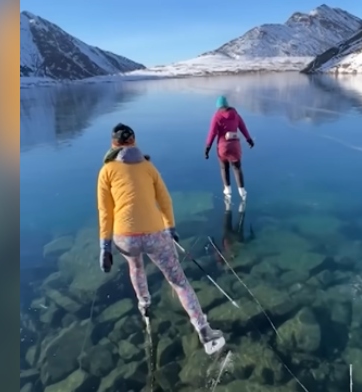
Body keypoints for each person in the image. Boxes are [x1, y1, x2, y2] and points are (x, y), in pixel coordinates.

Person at [97, 123, 225, 354]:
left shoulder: (106, 171)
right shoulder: (148, 167)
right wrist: (171, 228)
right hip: (155, 235)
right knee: (178, 282)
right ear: (134, 141)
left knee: (135, 267)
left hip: (124, 238)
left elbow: (105, 212)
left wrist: (105, 247)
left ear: (113, 144)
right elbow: (165, 201)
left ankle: (144, 306)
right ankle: (204, 331)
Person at [204, 96, 254, 202]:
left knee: (224, 168)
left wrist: (207, 148)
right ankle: (242, 192)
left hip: (223, 148)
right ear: (227, 105)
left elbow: (212, 133)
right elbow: (243, 127)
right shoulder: (235, 115)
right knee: (237, 168)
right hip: (235, 147)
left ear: (218, 107)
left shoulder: (217, 116)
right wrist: (249, 139)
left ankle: (227, 191)